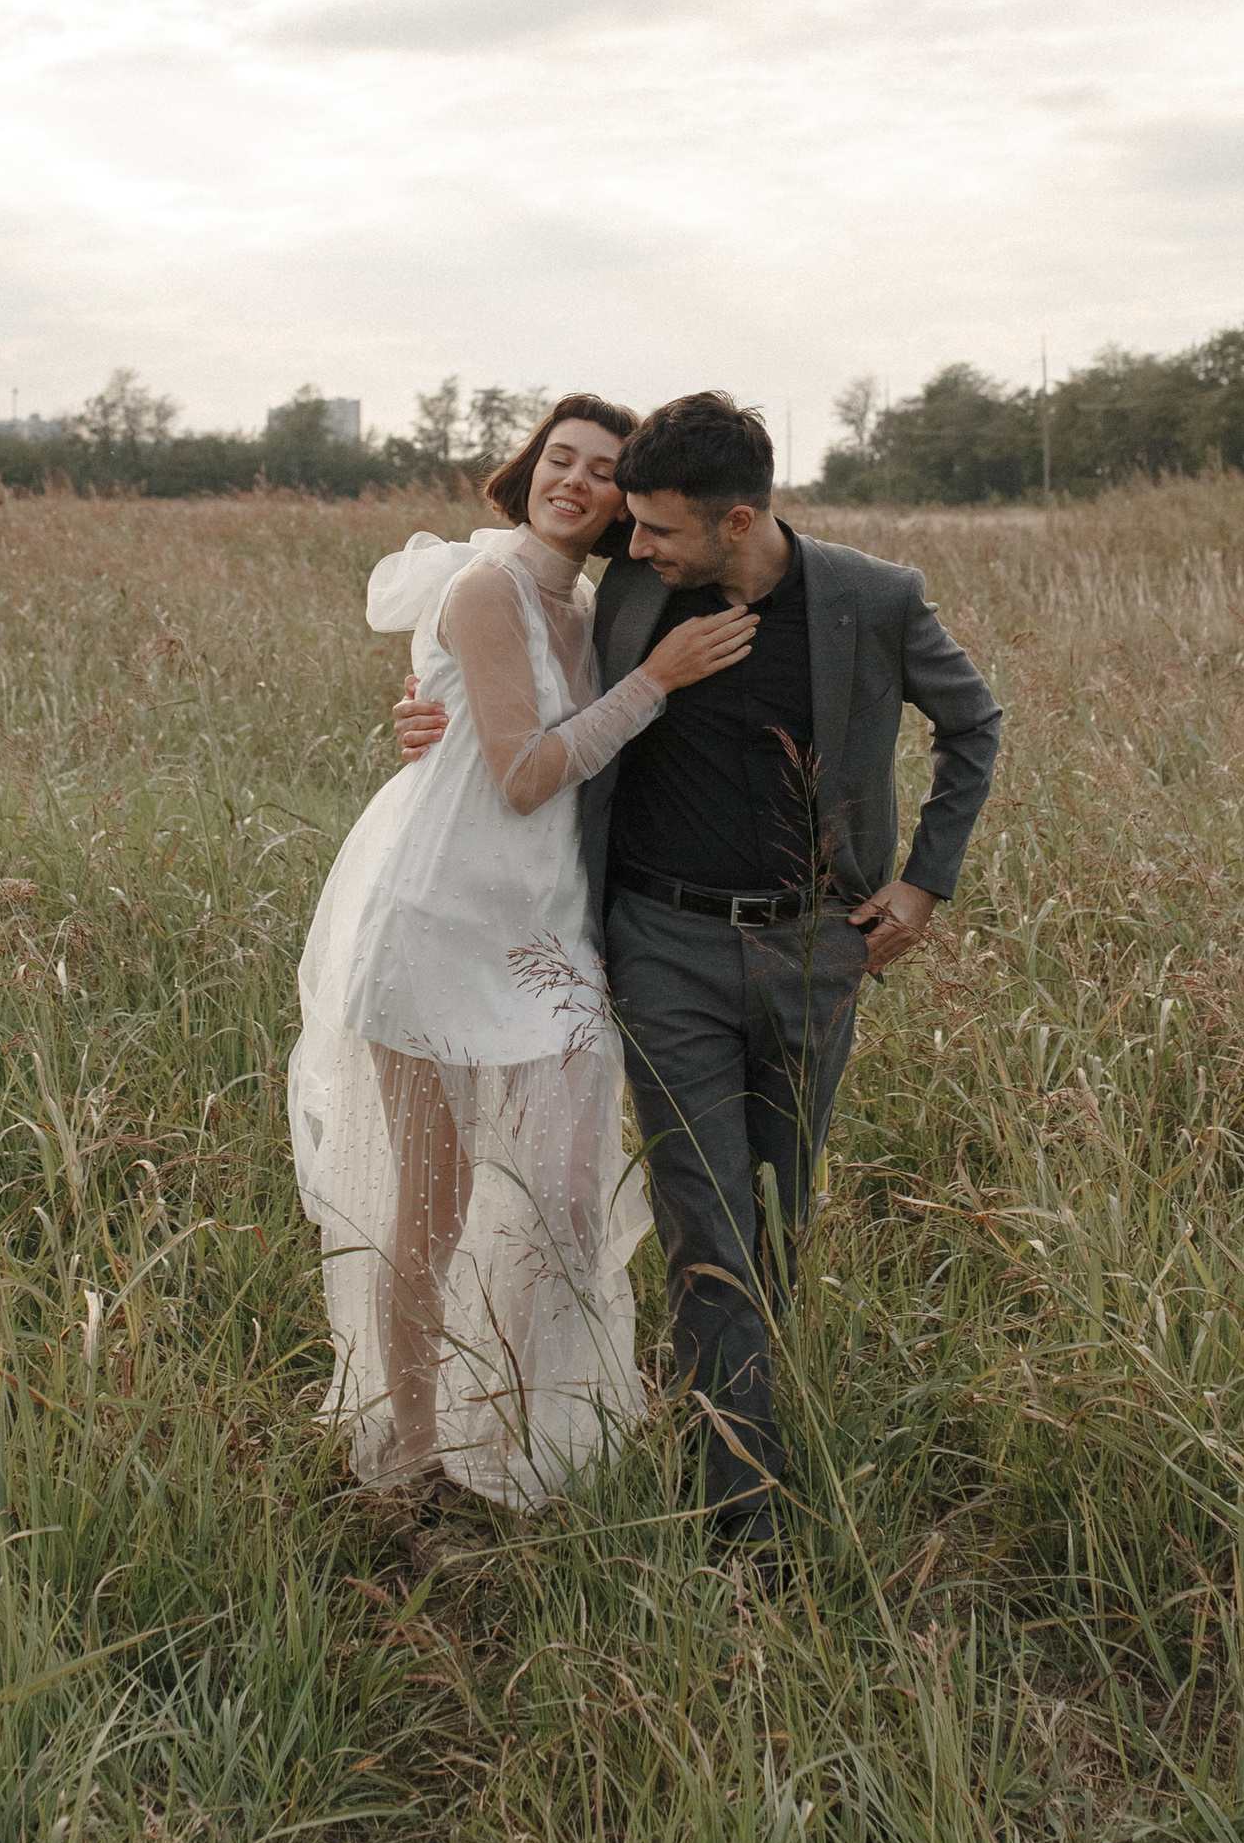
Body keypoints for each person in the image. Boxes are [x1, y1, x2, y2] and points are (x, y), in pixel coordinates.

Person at [397, 389, 1002, 1552]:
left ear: (736, 521)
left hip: (815, 948)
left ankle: (722, 1407)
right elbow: (511, 667)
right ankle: (741, 1517)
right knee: (709, 1218)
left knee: (780, 1207)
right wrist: (427, 715)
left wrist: (924, 883)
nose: (633, 544)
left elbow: (973, 727)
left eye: (658, 528)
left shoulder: (873, 598)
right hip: (659, 945)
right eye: (632, 524)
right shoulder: (631, 592)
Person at [288, 393, 761, 1510]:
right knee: (430, 1209)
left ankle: (514, 1428)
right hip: (437, 922)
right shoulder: (486, 586)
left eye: (601, 470)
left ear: (624, 505)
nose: (575, 481)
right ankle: (416, 1457)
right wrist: (659, 680)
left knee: (565, 1195)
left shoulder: (595, 604)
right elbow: (522, 776)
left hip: (547, 930)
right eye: (561, 457)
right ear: (530, 467)